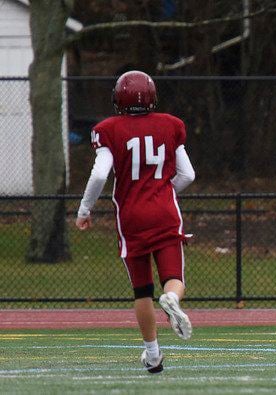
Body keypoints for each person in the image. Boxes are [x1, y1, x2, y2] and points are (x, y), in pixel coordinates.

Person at [75, 70, 195, 373]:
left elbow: (101, 174)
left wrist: (84, 210)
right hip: (165, 212)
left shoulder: (109, 129)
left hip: (131, 218)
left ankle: (153, 356)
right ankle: (170, 299)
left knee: (142, 290)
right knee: (174, 278)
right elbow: (188, 175)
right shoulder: (170, 125)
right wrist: (165, 193)